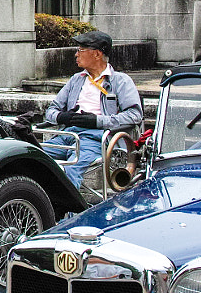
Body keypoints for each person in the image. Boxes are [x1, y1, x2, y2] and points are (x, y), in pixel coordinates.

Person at [30, 30, 144, 189]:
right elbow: (51, 111)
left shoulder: (121, 81)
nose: (76, 54)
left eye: (80, 50)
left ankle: (68, 213)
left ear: (97, 54)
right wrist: (63, 117)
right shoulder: (76, 79)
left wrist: (97, 121)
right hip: (67, 135)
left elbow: (134, 115)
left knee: (70, 170)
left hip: (95, 138)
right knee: (29, 158)